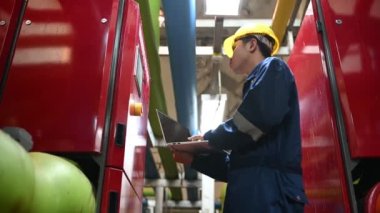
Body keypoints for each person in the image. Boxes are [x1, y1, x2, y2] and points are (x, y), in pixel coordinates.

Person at [170, 23, 308, 212]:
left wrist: (209, 138)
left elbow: (255, 119)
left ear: (252, 44)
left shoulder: (274, 68)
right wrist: (195, 159)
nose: (230, 56)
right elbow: (235, 167)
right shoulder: (256, 91)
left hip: (270, 196)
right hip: (255, 195)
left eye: (234, 48)